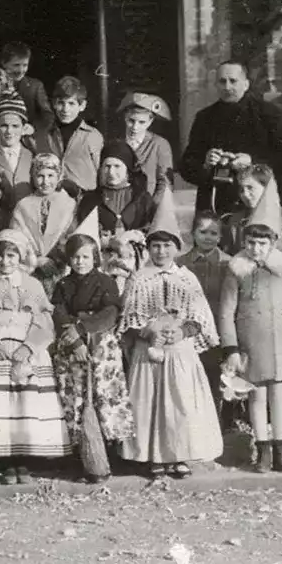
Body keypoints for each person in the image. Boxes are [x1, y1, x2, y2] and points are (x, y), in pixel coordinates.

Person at [117, 190, 222, 478]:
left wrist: (183, 331)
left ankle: (179, 455)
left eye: (166, 246)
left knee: (180, 403)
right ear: (147, 249)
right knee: (150, 403)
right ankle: (154, 456)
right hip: (148, 351)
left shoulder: (187, 278)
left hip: (179, 351)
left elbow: (201, 317)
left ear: (176, 248)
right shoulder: (138, 279)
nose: (161, 252)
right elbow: (127, 319)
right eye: (155, 246)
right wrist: (146, 330)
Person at [218, 176, 282, 473]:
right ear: (244, 241)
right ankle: (261, 449)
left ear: (273, 242)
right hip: (251, 339)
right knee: (257, 397)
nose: (256, 249)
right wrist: (232, 348)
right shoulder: (236, 270)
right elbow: (226, 311)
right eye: (251, 242)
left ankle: (281, 448)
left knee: (279, 396)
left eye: (262, 243)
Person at [0, 229, 71, 484]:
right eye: (1, 256)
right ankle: (5, 462)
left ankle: (23, 461)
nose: (6, 261)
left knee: (25, 404)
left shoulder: (33, 285)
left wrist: (31, 347)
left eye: (11, 255)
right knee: (1, 405)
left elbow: (44, 321)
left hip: (26, 353)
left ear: (21, 256)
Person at [51, 228, 135, 484]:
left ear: (95, 258)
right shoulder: (63, 285)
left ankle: (109, 454)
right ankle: (81, 455)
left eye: (86, 257)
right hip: (72, 345)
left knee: (103, 396)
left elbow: (110, 312)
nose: (80, 262)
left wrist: (84, 330)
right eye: (75, 257)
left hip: (100, 344)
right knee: (76, 397)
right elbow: (59, 312)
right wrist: (74, 339)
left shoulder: (106, 281)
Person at [180, 60, 282, 214]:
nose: (227, 87)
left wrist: (252, 161)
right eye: (222, 81)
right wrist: (206, 162)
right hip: (218, 203)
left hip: (261, 201)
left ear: (246, 84)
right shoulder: (205, 118)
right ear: (216, 85)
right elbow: (187, 166)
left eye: (233, 81)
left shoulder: (269, 114)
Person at [177, 211, 234, 427]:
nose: (208, 237)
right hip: (188, 333)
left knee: (214, 383)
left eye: (213, 233)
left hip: (217, 333)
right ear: (192, 233)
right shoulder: (180, 263)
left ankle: (216, 432)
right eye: (202, 232)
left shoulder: (228, 264)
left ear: (220, 237)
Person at [220, 164, 282, 279]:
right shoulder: (236, 220)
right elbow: (230, 256)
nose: (245, 195)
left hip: (279, 283)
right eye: (241, 190)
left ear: (266, 188)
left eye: (250, 188)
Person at [10, 153, 77, 297]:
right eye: (40, 176)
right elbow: (17, 238)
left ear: (59, 177)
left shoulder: (69, 204)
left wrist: (56, 258)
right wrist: (36, 260)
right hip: (31, 268)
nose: (45, 181)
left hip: (61, 267)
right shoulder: (23, 205)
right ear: (33, 178)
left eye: (51, 176)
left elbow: (71, 235)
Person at [74, 139, 156, 246]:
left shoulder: (142, 198)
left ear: (127, 169)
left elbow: (153, 229)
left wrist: (132, 236)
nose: (111, 172)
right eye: (107, 166)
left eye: (117, 166)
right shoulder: (90, 199)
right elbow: (82, 234)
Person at [36, 76, 104, 198]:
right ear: (54, 104)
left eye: (71, 103)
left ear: (82, 105)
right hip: (53, 199)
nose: (65, 109)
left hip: (84, 200)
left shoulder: (92, 136)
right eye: (61, 103)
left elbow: (101, 173)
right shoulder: (46, 134)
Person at [118, 92, 174, 197]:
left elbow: (165, 182)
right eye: (131, 121)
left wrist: (153, 207)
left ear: (150, 121)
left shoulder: (159, 144)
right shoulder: (116, 142)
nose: (135, 127)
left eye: (141, 122)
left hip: (148, 205)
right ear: (125, 117)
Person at [0, 94, 35, 207]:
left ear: (24, 129)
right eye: (4, 125)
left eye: (15, 126)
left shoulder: (33, 157)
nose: (9, 131)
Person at [0, 41, 54, 139]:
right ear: (4, 63)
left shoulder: (35, 86)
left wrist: (33, 128)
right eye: (16, 65)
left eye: (25, 65)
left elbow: (48, 115)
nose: (21, 70)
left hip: (28, 139)